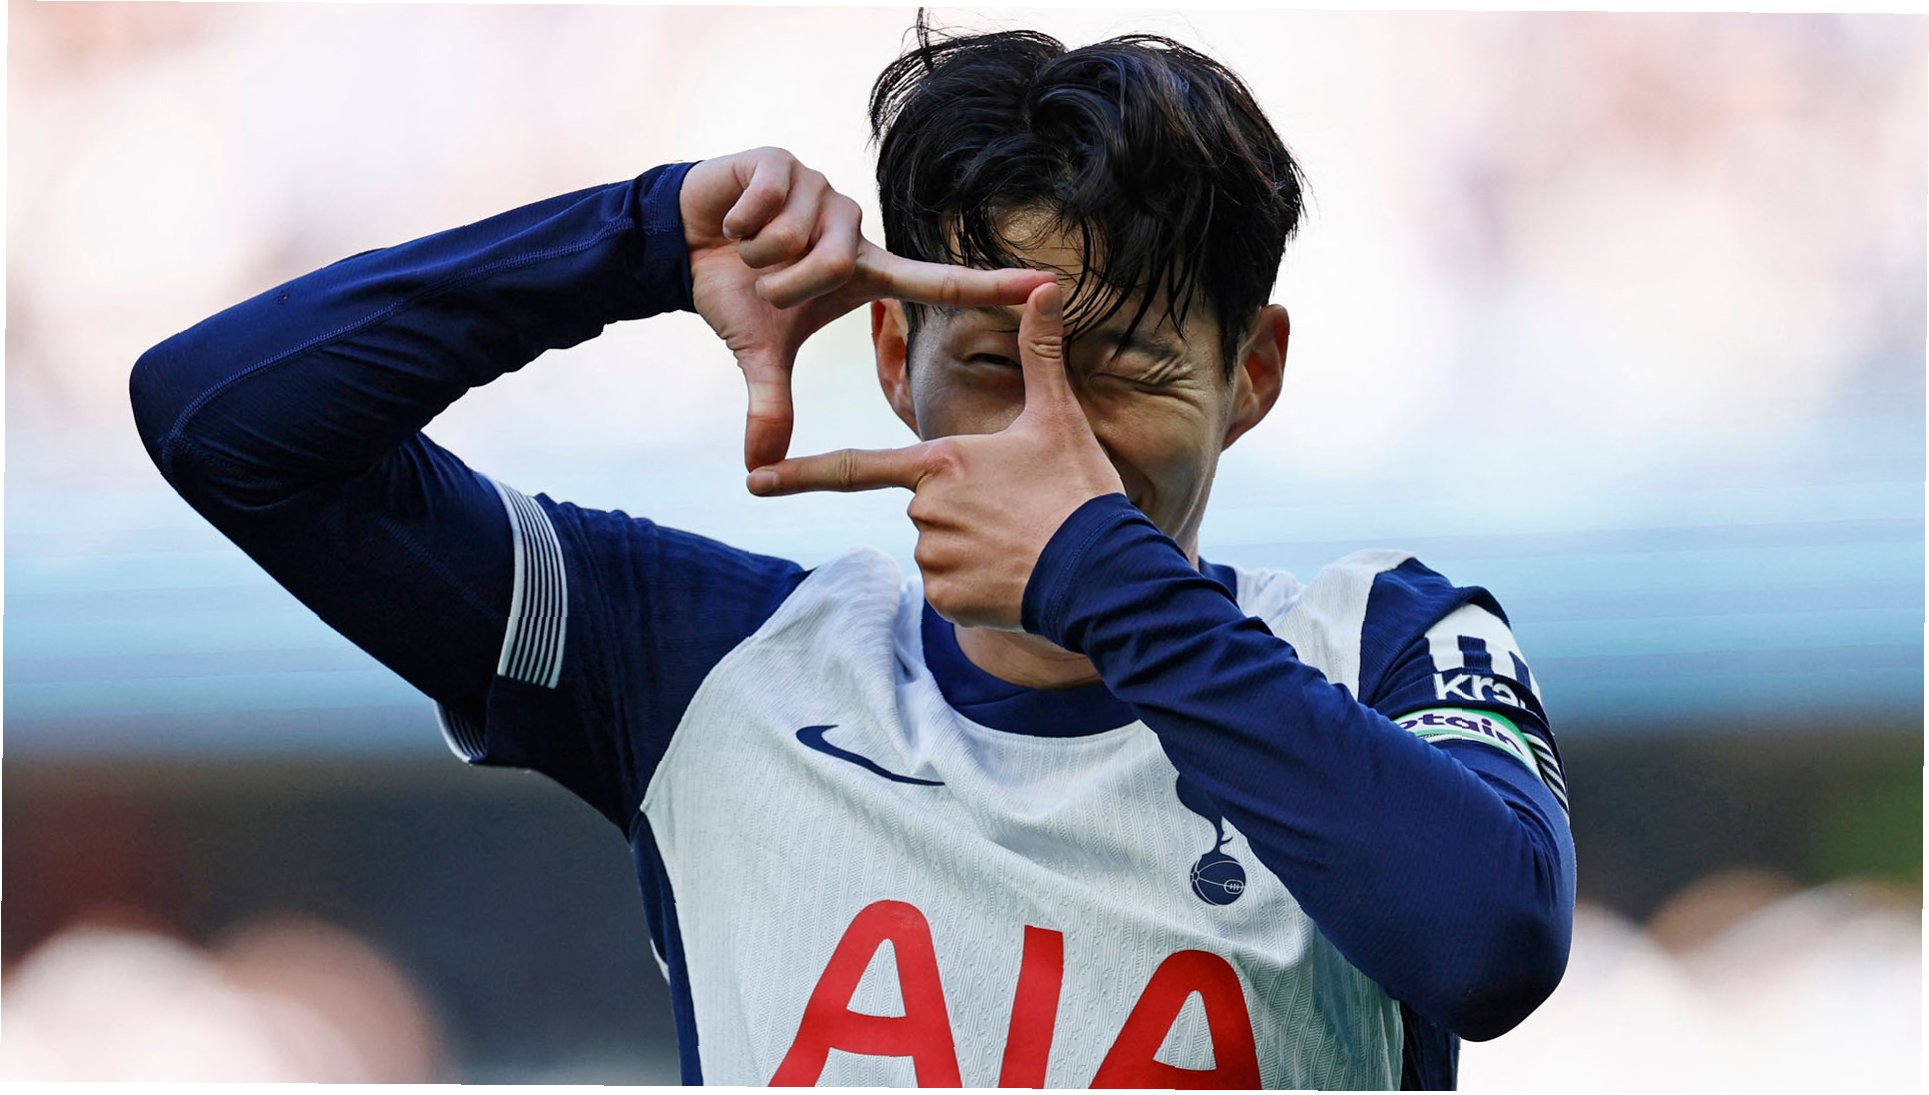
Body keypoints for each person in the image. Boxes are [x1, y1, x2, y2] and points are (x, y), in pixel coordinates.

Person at [130, 18, 1574, 1090]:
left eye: (1125, 368)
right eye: (993, 362)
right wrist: (635, 240)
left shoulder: (1383, 641)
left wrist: (1098, 577)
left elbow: (1490, 946)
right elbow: (222, 423)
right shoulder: (701, 663)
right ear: (892, 354)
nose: (1050, 440)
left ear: (1249, 374)